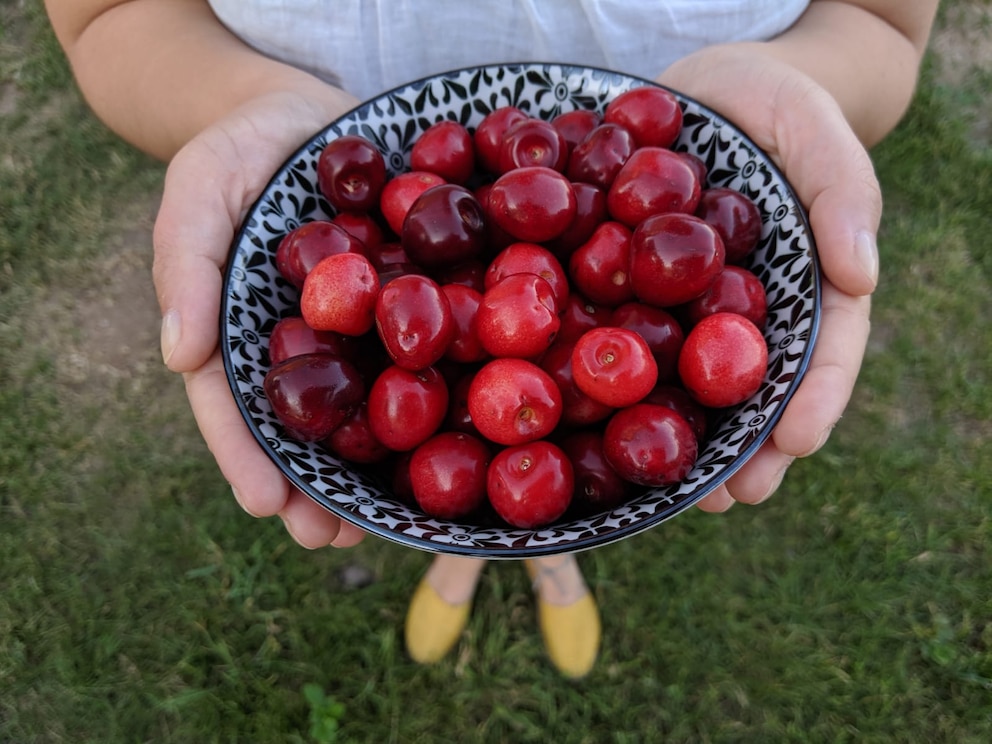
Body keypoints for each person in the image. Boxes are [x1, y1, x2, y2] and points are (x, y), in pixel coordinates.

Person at [44, 0, 939, 679]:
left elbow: (882, 22)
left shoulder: (609, 253)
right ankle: (471, 553)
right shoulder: (431, 288)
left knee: (540, 467)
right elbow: (105, 16)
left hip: (658, 133)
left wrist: (808, 81)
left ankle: (544, 557)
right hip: (348, 140)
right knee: (465, 465)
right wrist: (242, 100)